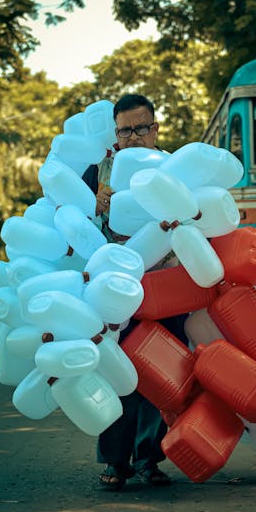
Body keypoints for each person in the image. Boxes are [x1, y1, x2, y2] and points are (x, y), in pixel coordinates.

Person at [84, 94, 187, 490]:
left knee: (160, 376)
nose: (134, 137)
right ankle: (114, 461)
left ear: (155, 129)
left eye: (141, 128)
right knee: (118, 374)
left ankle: (149, 459)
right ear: (116, 133)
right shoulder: (98, 173)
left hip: (170, 288)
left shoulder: (174, 167)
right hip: (115, 291)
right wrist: (94, 203)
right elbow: (71, 218)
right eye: (126, 130)